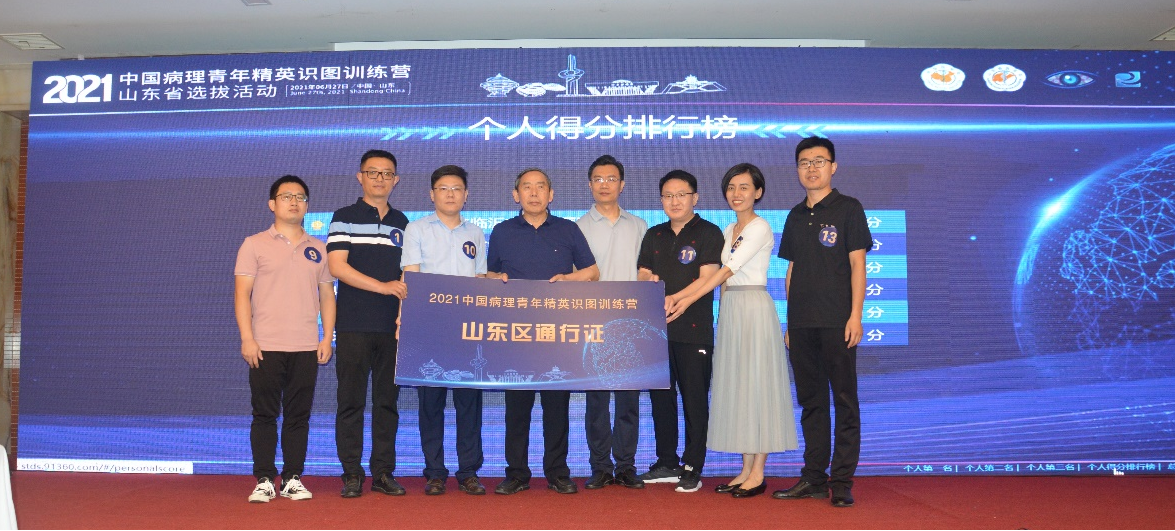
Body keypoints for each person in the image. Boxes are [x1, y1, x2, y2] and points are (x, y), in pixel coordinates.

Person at [668, 163, 798, 499]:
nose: (736, 194)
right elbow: (719, 278)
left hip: (753, 308)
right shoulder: (728, 229)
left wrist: (686, 300)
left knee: (758, 387)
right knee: (740, 389)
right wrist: (719, 314)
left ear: (758, 192)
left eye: (744, 187)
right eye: (731, 187)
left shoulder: (760, 227)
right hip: (731, 312)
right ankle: (744, 469)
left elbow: (726, 271)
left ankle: (758, 472)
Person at [487, 168, 600, 496]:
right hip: (517, 335)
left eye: (540, 187)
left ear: (551, 195)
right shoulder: (502, 231)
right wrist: (494, 280)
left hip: (556, 333)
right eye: (527, 187)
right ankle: (516, 473)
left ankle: (557, 472)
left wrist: (567, 280)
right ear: (516, 195)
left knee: (556, 409)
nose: (534, 193)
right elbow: (490, 275)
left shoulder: (568, 229)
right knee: (516, 410)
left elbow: (592, 272)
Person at [772, 137, 871, 508]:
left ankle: (841, 481)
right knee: (812, 403)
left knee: (844, 401)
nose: (811, 168)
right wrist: (789, 321)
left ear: (833, 166)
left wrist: (855, 315)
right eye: (804, 162)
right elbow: (792, 270)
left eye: (818, 161)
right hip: (802, 324)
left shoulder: (849, 208)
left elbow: (858, 264)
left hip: (837, 321)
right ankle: (813, 477)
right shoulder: (795, 215)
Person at [234, 175, 336, 503]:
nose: (294, 202)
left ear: (307, 205)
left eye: (300, 197)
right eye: (286, 196)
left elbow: (327, 296)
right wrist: (247, 338)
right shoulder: (253, 244)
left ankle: (292, 478)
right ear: (272, 204)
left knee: (298, 416)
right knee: (264, 414)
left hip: (306, 346)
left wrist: (326, 337)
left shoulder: (318, 248)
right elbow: (242, 295)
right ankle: (264, 478)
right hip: (264, 345)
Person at [326, 149, 410, 498]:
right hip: (353, 324)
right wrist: (383, 287)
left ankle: (383, 473)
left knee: (387, 404)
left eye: (386, 173)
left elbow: (409, 273)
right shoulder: (343, 217)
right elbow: (337, 267)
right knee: (351, 402)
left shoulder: (404, 222)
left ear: (396, 180)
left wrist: (404, 311)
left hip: (392, 328)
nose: (379, 179)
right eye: (372, 172)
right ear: (360, 177)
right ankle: (351, 473)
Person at [401, 165, 488, 496]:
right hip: (429, 327)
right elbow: (411, 277)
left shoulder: (476, 233)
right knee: (430, 404)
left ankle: (468, 471)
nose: (450, 194)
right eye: (443, 188)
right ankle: (435, 472)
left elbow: (480, 281)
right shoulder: (416, 229)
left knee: (469, 404)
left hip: (467, 330)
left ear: (466, 195)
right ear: (432, 194)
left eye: (456, 189)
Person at [635, 170, 725, 493]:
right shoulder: (654, 234)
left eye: (681, 195)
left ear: (694, 198)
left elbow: (708, 278)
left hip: (694, 330)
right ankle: (667, 461)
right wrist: (649, 283)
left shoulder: (709, 232)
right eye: (668, 196)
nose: (674, 201)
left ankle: (692, 465)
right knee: (661, 399)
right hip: (656, 332)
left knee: (694, 400)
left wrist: (675, 298)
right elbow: (643, 272)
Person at [575, 155, 649, 490]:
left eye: (611, 179)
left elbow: (646, 273)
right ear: (590, 184)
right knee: (597, 402)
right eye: (598, 179)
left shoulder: (639, 226)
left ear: (622, 184)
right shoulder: (577, 227)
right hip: (593, 323)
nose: (604, 185)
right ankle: (600, 467)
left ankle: (626, 466)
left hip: (629, 323)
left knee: (628, 401)